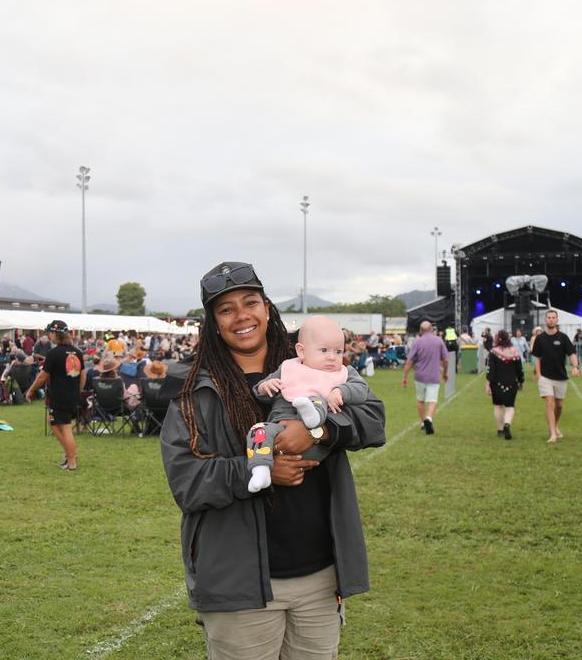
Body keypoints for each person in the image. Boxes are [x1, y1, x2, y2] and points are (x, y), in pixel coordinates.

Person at [160, 261, 386, 659]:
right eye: (226, 309)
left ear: (267, 308)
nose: (241, 316)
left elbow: (373, 418)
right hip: (239, 583)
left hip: (319, 575)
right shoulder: (194, 388)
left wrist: (320, 430)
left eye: (250, 302)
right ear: (213, 322)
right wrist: (260, 468)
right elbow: (187, 481)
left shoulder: (310, 363)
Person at [250, 315, 370, 491]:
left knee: (316, 399)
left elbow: (361, 389)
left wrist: (341, 391)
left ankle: (312, 416)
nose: (332, 357)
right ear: (301, 351)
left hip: (313, 444)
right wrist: (265, 387)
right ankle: (260, 469)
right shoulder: (288, 368)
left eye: (338, 352)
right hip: (278, 430)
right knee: (258, 430)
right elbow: (263, 393)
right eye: (324, 350)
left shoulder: (344, 373)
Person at [26, 320, 85, 471]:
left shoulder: (54, 353)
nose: (49, 335)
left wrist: (31, 390)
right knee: (53, 422)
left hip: (59, 396)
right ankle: (69, 453)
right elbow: (83, 376)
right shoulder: (77, 352)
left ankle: (71, 461)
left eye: (50, 332)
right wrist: (78, 391)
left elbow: (42, 377)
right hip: (72, 395)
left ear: (54, 334)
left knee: (65, 427)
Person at [531, 309, 579, 443]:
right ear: (545, 320)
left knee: (559, 406)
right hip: (545, 377)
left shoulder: (563, 338)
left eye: (553, 318)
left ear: (557, 320)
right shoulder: (539, 338)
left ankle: (555, 425)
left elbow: (572, 354)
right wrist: (539, 374)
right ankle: (552, 433)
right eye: (549, 317)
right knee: (550, 402)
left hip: (561, 376)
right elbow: (536, 357)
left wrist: (575, 366)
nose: (551, 320)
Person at [401, 320, 448, 434]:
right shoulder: (438, 341)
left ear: (421, 330)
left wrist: (404, 376)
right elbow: (445, 360)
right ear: (431, 329)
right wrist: (445, 373)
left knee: (420, 400)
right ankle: (429, 418)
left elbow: (409, 361)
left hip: (420, 376)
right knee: (432, 400)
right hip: (433, 375)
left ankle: (423, 422)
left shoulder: (417, 342)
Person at [486, 329, 524, 440]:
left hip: (496, 383)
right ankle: (507, 424)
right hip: (512, 383)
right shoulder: (515, 351)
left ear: (497, 339)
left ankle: (500, 430)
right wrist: (521, 381)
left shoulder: (493, 352)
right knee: (509, 407)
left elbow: (490, 370)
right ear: (508, 338)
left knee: (498, 406)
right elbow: (519, 369)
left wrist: (488, 383)